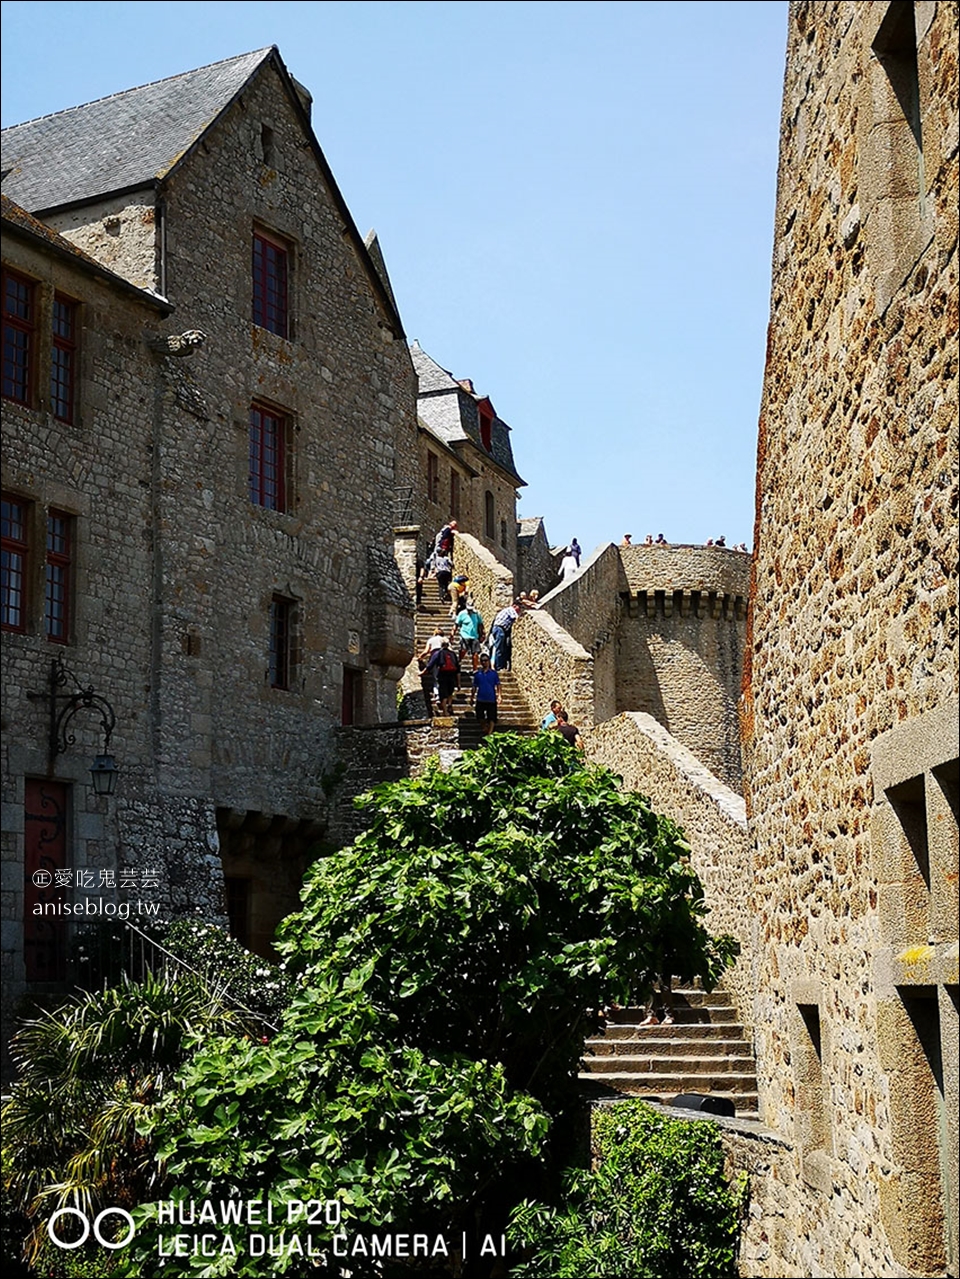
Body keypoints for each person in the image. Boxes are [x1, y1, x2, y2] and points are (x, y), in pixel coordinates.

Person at [470, 653, 501, 736]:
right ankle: (485, 727)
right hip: (481, 698)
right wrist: (472, 697)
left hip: (491, 698)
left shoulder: (494, 673)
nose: (484, 662)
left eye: (486, 660)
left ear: (489, 662)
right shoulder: (477, 674)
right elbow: (474, 687)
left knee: (492, 717)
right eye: (482, 661)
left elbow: (498, 685)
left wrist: (499, 695)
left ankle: (490, 733)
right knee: (479, 716)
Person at [427, 638, 460, 715]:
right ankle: (450, 704)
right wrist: (458, 683)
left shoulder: (438, 653)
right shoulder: (453, 654)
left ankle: (445, 711)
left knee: (443, 693)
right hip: (452, 675)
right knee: (450, 691)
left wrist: (425, 671)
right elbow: (458, 669)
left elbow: (430, 664)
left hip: (442, 675)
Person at [454, 599, 485, 671]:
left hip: (474, 636)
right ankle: (458, 663)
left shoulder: (477, 614)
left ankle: (475, 669)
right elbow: (456, 624)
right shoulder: (462, 614)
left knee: (475, 654)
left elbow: (480, 624)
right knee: (463, 650)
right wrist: (453, 634)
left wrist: (482, 634)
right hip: (465, 635)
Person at [489, 601, 520, 671]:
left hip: (497, 628)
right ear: (514, 606)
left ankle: (500, 665)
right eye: (518, 608)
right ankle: (498, 667)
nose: (519, 610)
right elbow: (516, 617)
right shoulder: (511, 610)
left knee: (500, 647)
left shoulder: (505, 610)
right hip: (500, 629)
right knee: (499, 648)